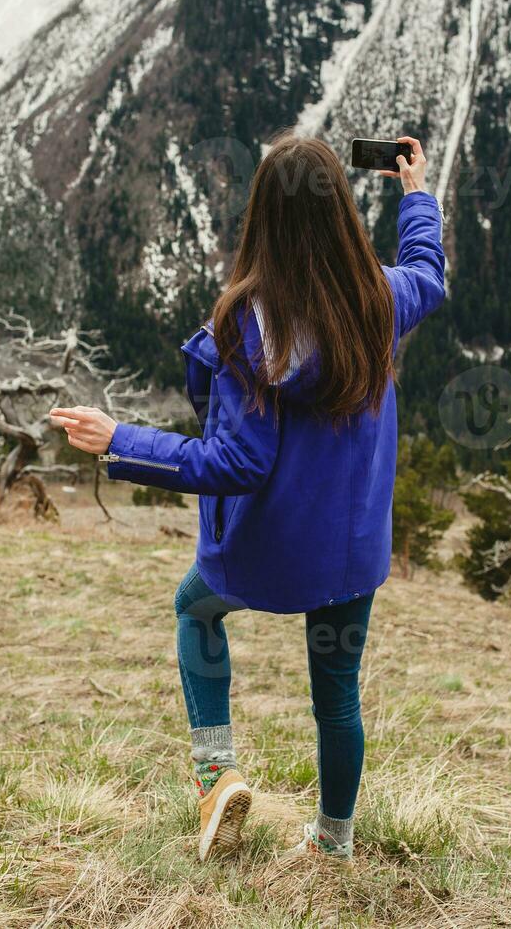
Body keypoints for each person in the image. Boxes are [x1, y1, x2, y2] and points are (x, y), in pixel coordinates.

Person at [51, 131, 446, 861]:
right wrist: (416, 194)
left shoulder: (251, 325)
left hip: (267, 550)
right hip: (350, 553)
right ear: (341, 217)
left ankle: (216, 772)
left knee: (194, 609)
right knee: (337, 695)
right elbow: (429, 269)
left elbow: (235, 462)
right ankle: (333, 842)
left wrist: (121, 441)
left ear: (262, 218)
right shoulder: (380, 299)